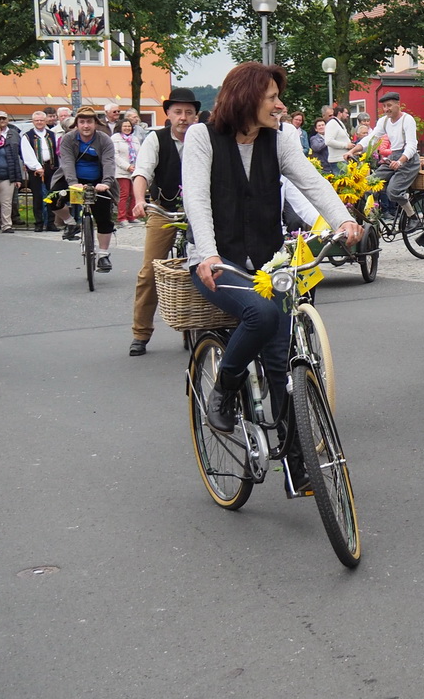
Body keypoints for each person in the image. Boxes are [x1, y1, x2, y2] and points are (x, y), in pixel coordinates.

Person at [185, 64, 360, 436]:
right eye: (271, 98)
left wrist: (343, 221)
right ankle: (225, 388)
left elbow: (313, 184)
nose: (280, 106)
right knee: (262, 316)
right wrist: (209, 254)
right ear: (245, 99)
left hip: (270, 263)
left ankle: (298, 461)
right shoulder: (203, 137)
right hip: (219, 262)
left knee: (281, 361)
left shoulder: (279, 139)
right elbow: (197, 200)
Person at [127, 88, 201, 357]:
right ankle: (141, 333)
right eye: (178, 112)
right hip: (163, 209)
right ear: (168, 114)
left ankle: (202, 325)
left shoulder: (203, 137)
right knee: (150, 271)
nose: (183, 117)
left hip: (199, 211)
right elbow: (142, 171)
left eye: (189, 112)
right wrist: (138, 200)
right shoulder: (155, 139)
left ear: (195, 116)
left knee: (210, 265)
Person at [58, 107, 118, 271]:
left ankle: (103, 255)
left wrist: (106, 183)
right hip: (72, 179)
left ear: (95, 124)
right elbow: (67, 162)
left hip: (98, 181)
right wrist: (72, 182)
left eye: (89, 122)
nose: (86, 126)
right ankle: (71, 224)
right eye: (82, 122)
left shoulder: (104, 139)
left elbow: (109, 162)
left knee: (104, 217)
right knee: (52, 199)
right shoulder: (68, 139)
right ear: (76, 124)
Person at [353, 91, 423, 214]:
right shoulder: (384, 121)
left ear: (398, 104)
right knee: (368, 183)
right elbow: (371, 139)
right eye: (384, 106)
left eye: (389, 105)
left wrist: (400, 161)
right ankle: (374, 217)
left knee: (393, 192)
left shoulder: (407, 120)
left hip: (408, 161)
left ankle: (412, 217)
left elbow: (412, 145)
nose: (386, 109)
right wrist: (353, 150)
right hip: (392, 158)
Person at [20, 109, 61, 230]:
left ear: (45, 121)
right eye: (37, 120)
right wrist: (37, 167)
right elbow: (27, 154)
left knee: (52, 194)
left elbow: (57, 151)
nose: (39, 122)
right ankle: (39, 222)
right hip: (35, 170)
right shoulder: (27, 136)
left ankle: (50, 222)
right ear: (33, 121)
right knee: (38, 196)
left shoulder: (52, 134)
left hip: (51, 167)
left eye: (41, 120)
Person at [113, 114, 140, 222]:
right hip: (121, 171)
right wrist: (127, 166)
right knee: (124, 195)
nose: (127, 128)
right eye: (125, 126)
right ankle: (122, 218)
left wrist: (137, 166)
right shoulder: (115, 138)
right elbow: (115, 155)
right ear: (120, 127)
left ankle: (132, 216)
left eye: (129, 126)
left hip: (134, 171)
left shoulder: (135, 139)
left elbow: (140, 153)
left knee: (134, 194)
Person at [322, 104, 353, 176]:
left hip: (342, 160)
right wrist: (346, 145)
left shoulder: (338, 123)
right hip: (338, 161)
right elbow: (328, 141)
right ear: (339, 113)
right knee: (342, 186)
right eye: (346, 113)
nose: (347, 115)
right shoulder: (332, 123)